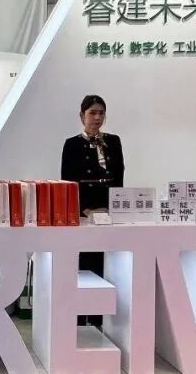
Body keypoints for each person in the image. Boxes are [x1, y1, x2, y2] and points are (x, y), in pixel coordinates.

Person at [60, 94, 124, 326]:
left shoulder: (113, 141)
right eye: (92, 113)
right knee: (82, 266)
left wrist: (115, 206)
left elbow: (119, 177)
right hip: (84, 213)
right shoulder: (72, 144)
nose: (97, 118)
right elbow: (68, 182)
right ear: (82, 116)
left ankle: (98, 319)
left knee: (103, 265)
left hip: (107, 212)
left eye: (101, 113)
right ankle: (79, 320)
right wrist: (84, 210)